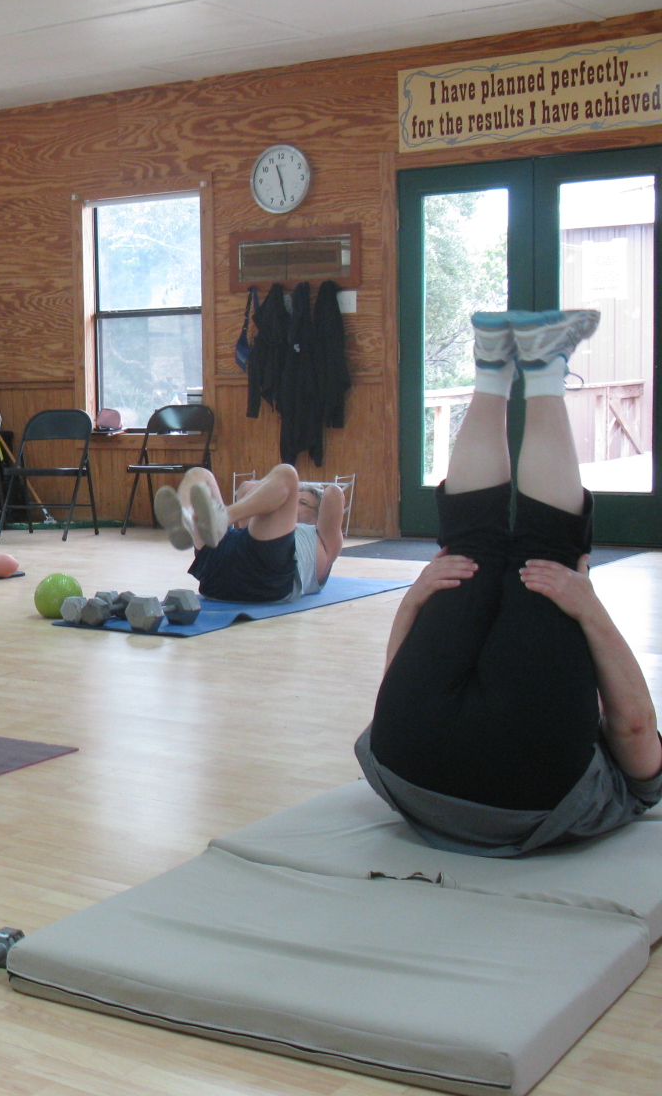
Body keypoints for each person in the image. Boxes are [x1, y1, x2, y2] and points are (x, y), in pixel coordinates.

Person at [358, 308, 660, 856]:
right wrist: (417, 596)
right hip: (404, 761)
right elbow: (391, 687)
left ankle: (539, 366)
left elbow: (638, 730)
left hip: (518, 784)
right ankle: (493, 360)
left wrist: (588, 607)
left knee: (546, 555)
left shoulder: (633, 787)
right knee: (472, 549)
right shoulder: (613, 784)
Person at [153, 463, 344, 603]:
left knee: (287, 473)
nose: (293, 503)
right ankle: (186, 518)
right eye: (295, 498)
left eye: (302, 503)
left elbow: (334, 493)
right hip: (216, 575)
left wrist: (293, 488)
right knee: (199, 474)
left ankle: (224, 517)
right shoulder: (256, 525)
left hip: (266, 579)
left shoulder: (324, 540)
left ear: (318, 516)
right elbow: (246, 487)